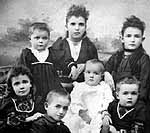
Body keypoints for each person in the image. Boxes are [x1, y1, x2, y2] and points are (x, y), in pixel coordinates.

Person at [105, 15, 150, 132]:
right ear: (122, 38)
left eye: (137, 36)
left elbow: (144, 85)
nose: (133, 39)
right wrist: (106, 73)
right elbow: (104, 70)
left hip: (135, 103)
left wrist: (136, 101)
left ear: (142, 39)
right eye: (129, 36)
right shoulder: (116, 57)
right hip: (116, 100)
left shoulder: (143, 59)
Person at [17, 22, 66, 113]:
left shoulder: (52, 53)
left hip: (51, 87)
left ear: (48, 39)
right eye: (37, 38)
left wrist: (72, 67)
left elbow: (63, 63)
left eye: (44, 38)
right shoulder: (27, 54)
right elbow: (21, 71)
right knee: (36, 108)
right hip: (35, 87)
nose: (41, 41)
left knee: (54, 106)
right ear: (30, 39)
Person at [52, 4, 98, 92]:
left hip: (85, 91)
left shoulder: (90, 47)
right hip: (61, 90)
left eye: (81, 24)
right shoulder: (58, 45)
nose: (77, 28)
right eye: (73, 24)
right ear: (66, 26)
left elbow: (97, 68)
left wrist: (86, 66)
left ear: (85, 27)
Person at [63, 59, 114, 133]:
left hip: (97, 113)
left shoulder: (104, 87)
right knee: (75, 121)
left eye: (95, 73)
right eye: (88, 72)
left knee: (100, 123)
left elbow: (108, 100)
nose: (91, 76)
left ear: (101, 76)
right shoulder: (79, 86)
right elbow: (74, 101)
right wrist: (80, 111)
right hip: (81, 113)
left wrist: (104, 112)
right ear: (84, 73)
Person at [0, 65, 43, 133]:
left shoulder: (37, 101)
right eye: (17, 84)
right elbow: (8, 122)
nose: (21, 87)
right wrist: (29, 119)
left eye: (25, 82)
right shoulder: (7, 102)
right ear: (11, 87)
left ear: (31, 84)